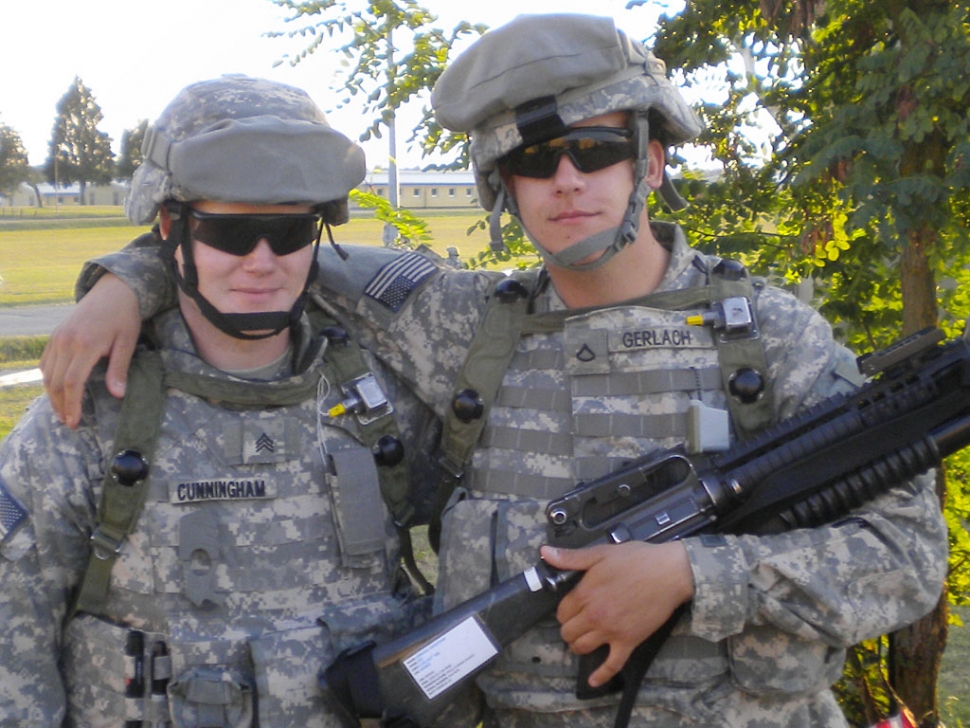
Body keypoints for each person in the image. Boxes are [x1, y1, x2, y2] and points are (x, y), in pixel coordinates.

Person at [40, 14, 948, 728]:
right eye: (531, 160)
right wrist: (132, 277)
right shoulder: (463, 327)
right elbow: (263, 256)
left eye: (594, 150)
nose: (566, 180)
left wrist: (695, 578)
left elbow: (907, 558)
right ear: (499, 189)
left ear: (652, 159)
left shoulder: (770, 337)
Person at [0, 74, 445, 727]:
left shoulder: (383, 404)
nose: (262, 261)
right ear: (170, 231)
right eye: (231, 233)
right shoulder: (87, 422)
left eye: (289, 230)